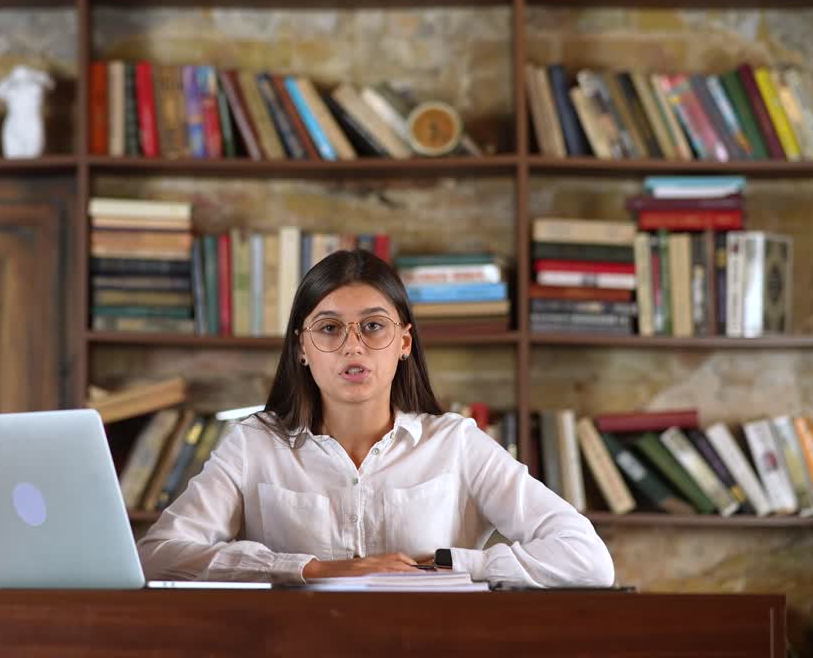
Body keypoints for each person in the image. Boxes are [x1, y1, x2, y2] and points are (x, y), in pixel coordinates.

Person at [137, 249, 615, 587]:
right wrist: (314, 570)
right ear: (302, 348)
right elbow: (159, 556)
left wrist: (450, 565)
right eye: (329, 328)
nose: (352, 346)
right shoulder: (254, 445)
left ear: (404, 342)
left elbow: (587, 560)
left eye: (373, 326)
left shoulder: (455, 444)